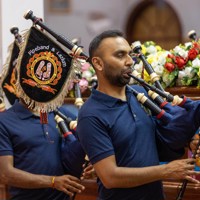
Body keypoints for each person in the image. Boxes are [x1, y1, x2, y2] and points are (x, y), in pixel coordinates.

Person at [77, 30, 200, 200]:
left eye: (129, 54)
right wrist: (166, 170)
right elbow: (110, 177)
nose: (129, 61)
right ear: (98, 63)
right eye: (120, 55)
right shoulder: (90, 114)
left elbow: (161, 139)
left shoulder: (140, 94)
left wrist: (189, 139)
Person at [0, 98, 87, 200]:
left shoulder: (54, 112)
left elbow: (86, 137)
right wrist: (53, 181)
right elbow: (5, 174)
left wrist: (93, 166)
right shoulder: (4, 121)